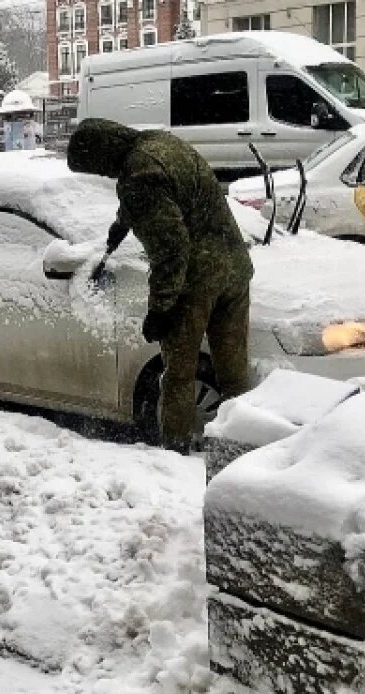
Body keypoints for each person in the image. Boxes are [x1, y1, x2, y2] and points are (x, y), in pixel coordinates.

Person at [66, 118, 255, 453]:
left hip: (194, 283)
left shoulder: (137, 176)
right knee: (235, 376)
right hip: (234, 269)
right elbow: (164, 192)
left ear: (103, 156)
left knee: (179, 377)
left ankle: (176, 454)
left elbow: (171, 250)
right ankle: (244, 451)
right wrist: (121, 225)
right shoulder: (159, 145)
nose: (103, 175)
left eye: (96, 168)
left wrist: (161, 309)